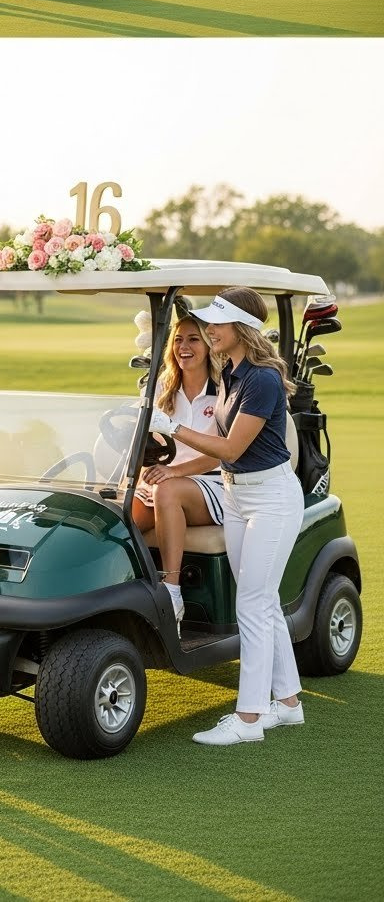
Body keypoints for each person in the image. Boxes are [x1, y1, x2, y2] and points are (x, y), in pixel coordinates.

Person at [150, 287, 305, 746]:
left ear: (242, 327)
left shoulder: (261, 379)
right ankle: (289, 704)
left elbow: (230, 449)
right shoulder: (233, 372)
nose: (210, 330)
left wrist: (174, 428)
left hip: (272, 499)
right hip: (237, 497)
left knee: (252, 605)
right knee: (264, 601)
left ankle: (251, 719)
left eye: (216, 324)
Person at [133, 315, 223, 629]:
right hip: (166, 479)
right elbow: (145, 442)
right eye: (178, 339)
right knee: (120, 517)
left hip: (213, 484)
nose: (184, 347)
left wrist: (173, 473)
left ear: (209, 344)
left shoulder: (224, 389)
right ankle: (120, 596)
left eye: (193, 339)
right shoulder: (162, 386)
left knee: (167, 490)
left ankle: (171, 594)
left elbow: (216, 455)